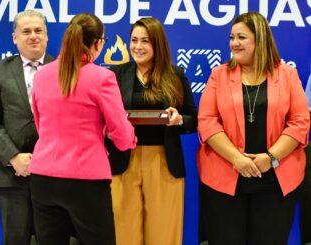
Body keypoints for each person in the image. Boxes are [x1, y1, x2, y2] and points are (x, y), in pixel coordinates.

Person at [197, 12, 310, 245]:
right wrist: (237, 159)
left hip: (275, 180)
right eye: (231, 37)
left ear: (260, 39)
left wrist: (270, 158)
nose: (234, 43)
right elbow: (207, 120)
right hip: (225, 178)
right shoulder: (219, 75)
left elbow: (300, 121)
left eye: (241, 37)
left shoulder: (287, 74)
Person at [28, 13, 136, 245]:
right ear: (97, 43)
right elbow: (121, 134)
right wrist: (130, 139)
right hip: (85, 180)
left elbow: (40, 124)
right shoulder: (102, 77)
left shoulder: (42, 74)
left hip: (43, 177)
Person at [106, 17, 197, 245]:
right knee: (123, 232)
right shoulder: (115, 75)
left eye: (145, 41)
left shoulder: (175, 75)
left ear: (157, 44)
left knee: (164, 233)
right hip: (123, 161)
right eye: (134, 40)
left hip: (164, 161)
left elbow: (194, 119)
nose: (138, 46)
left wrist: (178, 120)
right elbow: (101, 117)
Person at [0, 10, 53, 245]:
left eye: (38, 31)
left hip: (55, 175)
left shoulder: (63, 68)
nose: (33, 36)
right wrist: (14, 157)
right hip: (12, 176)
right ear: (15, 37)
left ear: (47, 36)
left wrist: (47, 158)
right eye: (26, 31)